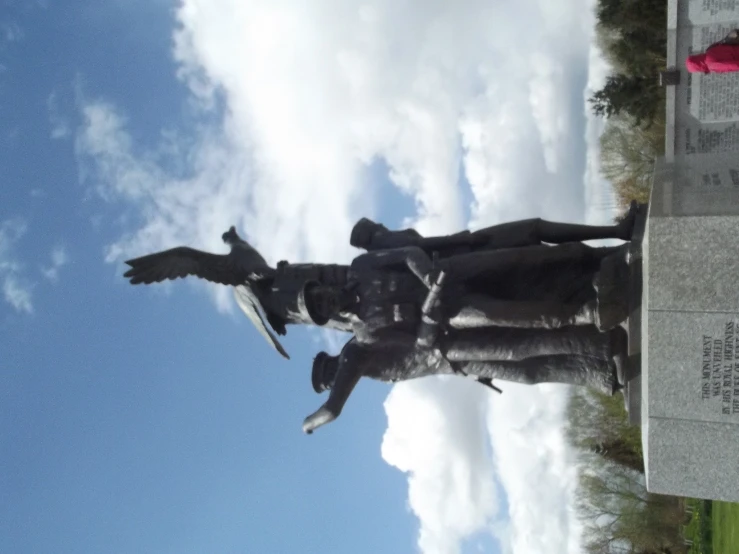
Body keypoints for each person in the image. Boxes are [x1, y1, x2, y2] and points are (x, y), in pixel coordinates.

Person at [302, 324, 627, 434]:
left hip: (453, 349)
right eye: (329, 381)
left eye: (328, 377)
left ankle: (601, 347)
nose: (333, 381)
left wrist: (311, 422)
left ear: (329, 366)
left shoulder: (351, 355)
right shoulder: (356, 359)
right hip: (455, 363)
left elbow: (333, 409)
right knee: (527, 368)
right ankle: (599, 371)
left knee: (524, 353)